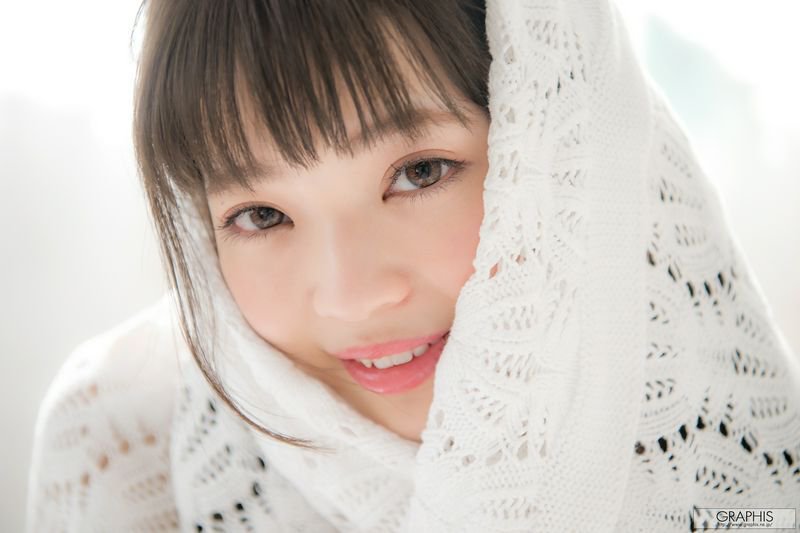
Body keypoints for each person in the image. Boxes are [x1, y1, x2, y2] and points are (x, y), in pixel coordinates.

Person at [27, 0, 800, 531]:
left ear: (560, 145)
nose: (353, 296)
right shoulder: (122, 454)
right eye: (261, 215)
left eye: (421, 172)